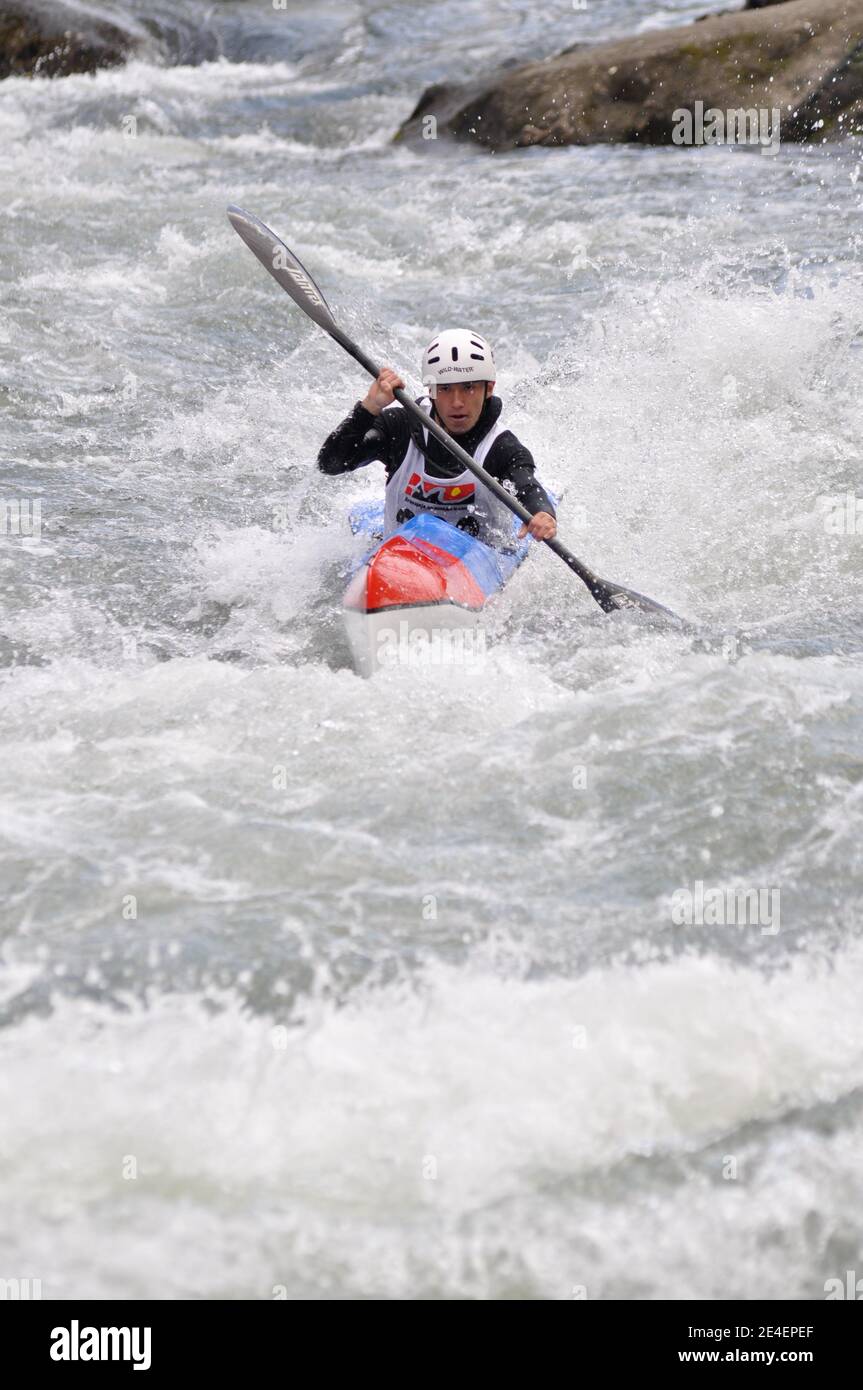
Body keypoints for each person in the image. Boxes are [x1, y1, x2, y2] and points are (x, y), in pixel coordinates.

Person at [317, 329, 557, 547]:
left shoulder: (501, 447)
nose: (456, 402)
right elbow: (330, 464)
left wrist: (543, 513)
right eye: (444, 389)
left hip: (477, 566)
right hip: (399, 560)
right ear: (430, 391)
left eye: (468, 387)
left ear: (490, 388)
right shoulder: (400, 427)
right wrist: (369, 407)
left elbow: (527, 487)